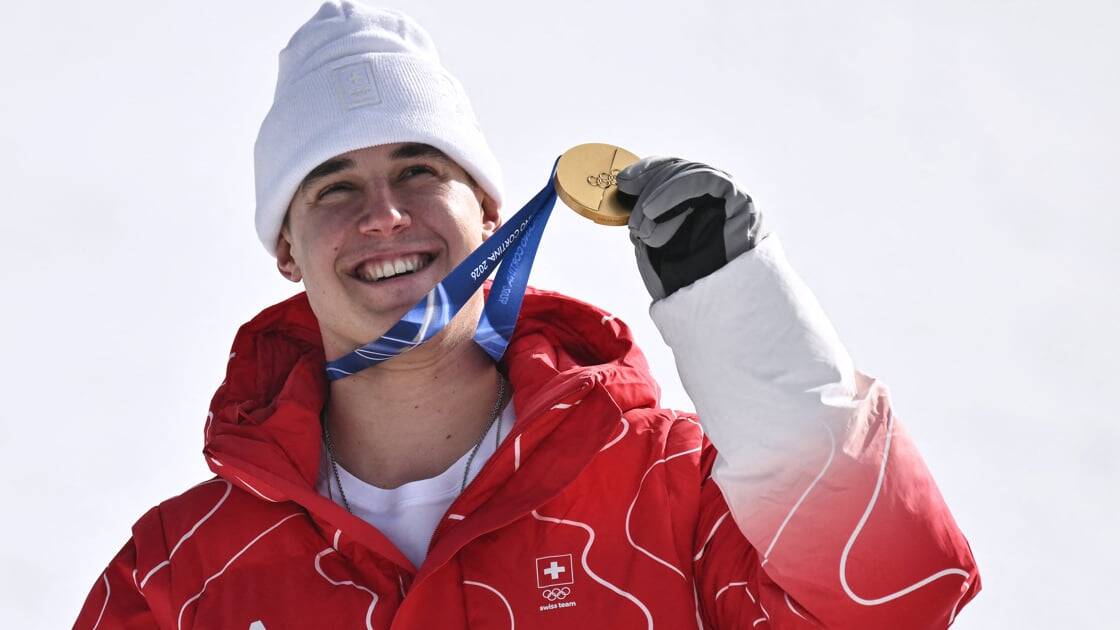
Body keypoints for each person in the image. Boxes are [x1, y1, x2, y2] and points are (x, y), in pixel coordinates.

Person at [74, 2, 981, 628]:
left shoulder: (668, 487)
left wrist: (738, 302)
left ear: (488, 213)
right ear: (286, 250)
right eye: (333, 188)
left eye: (420, 171)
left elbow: (891, 601)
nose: (383, 215)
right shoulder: (182, 570)